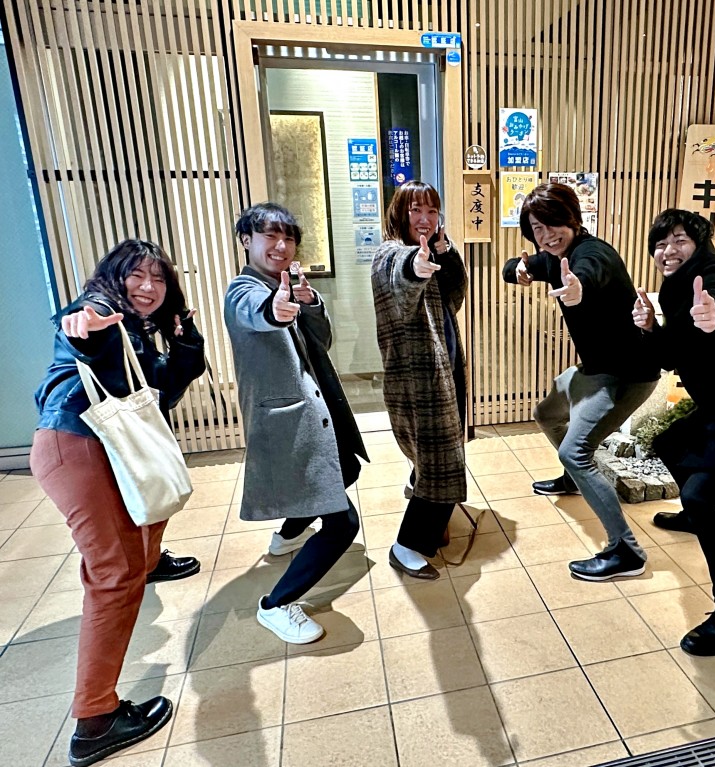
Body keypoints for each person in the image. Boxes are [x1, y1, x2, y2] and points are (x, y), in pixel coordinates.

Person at [31, 239, 206, 766]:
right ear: (115, 277)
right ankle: (95, 720)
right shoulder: (103, 311)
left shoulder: (143, 330)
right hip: (77, 444)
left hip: (101, 447)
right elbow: (82, 328)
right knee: (113, 576)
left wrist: (185, 337)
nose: (149, 286)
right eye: (137, 276)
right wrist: (84, 325)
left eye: (159, 278)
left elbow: (165, 386)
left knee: (149, 514)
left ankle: (148, 562)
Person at [502, 182, 661, 580]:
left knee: (575, 452)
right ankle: (574, 481)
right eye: (537, 229)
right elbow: (513, 268)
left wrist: (576, 290)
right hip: (596, 368)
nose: (546, 235)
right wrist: (518, 269)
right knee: (546, 413)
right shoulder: (553, 257)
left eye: (553, 224)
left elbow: (589, 275)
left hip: (627, 374)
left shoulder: (593, 254)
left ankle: (626, 551)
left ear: (572, 219)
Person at [225, 202, 367, 644]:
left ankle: (287, 535)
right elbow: (259, 312)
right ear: (246, 240)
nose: (281, 245)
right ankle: (276, 604)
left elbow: (320, 341)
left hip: (313, 414)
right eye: (269, 235)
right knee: (343, 525)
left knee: (346, 468)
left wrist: (310, 303)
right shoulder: (245, 290)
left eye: (288, 237)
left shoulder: (284, 286)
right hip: (286, 423)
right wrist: (278, 307)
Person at [633, 209, 715, 655]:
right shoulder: (676, 289)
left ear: (699, 245)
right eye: (660, 244)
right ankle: (696, 518)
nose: (668, 251)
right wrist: (651, 328)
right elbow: (669, 357)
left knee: (698, 496)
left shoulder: (711, 276)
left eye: (679, 241)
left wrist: (714, 318)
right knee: (667, 442)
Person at [371, 181, 468, 580]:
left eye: (431, 210)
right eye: (416, 210)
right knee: (445, 463)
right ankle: (407, 546)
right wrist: (417, 266)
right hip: (416, 379)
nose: (425, 219)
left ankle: (423, 494)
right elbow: (401, 276)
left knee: (435, 456)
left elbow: (455, 295)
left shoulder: (432, 250)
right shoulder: (389, 253)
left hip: (444, 369)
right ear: (400, 214)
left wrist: (445, 254)